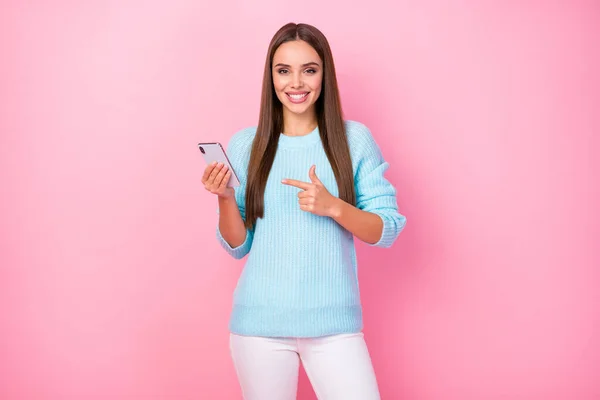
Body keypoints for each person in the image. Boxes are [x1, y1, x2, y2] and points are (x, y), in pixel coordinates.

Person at [201, 22, 407, 400]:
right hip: (259, 326)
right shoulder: (248, 144)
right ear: (271, 77)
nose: (296, 83)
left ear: (324, 75)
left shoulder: (353, 140)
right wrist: (225, 199)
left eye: (309, 70)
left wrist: (334, 207)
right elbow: (237, 246)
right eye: (284, 71)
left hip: (334, 326)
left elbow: (387, 228)